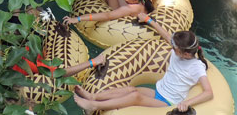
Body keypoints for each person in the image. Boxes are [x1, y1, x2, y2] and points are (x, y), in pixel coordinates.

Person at [73, 20, 213, 112]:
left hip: (169, 102)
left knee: (135, 96)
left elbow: (208, 92)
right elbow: (166, 36)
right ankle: (93, 97)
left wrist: (187, 102)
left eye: (175, 46)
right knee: (130, 89)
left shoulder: (196, 66)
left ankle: (94, 106)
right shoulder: (178, 52)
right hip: (159, 91)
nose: (172, 46)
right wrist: (149, 21)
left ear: (186, 54)